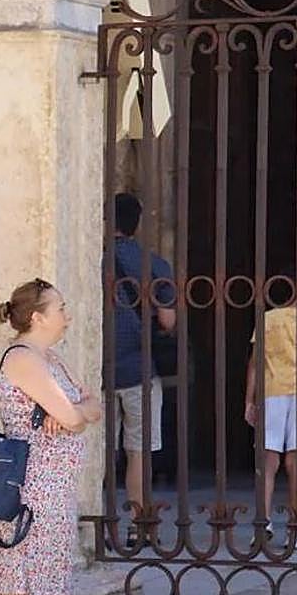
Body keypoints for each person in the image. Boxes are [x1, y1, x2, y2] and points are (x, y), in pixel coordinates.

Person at [0, 279, 102, 595]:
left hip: (56, 490)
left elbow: (92, 406)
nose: (67, 315)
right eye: (61, 307)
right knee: (14, 588)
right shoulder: (22, 359)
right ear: (38, 317)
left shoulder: (52, 359)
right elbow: (73, 414)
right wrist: (74, 413)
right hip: (26, 491)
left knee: (53, 588)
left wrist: (77, 413)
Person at [244, 271, 297, 543]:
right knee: (296, 462)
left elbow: (255, 363)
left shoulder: (268, 319)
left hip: (271, 394)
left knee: (268, 462)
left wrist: (248, 400)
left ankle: (264, 523)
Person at [111, 193, 176, 543]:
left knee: (98, 450)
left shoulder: (92, 260)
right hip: (139, 368)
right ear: (137, 223)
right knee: (139, 451)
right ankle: (140, 526)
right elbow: (168, 321)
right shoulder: (154, 265)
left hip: (97, 372)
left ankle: (97, 524)